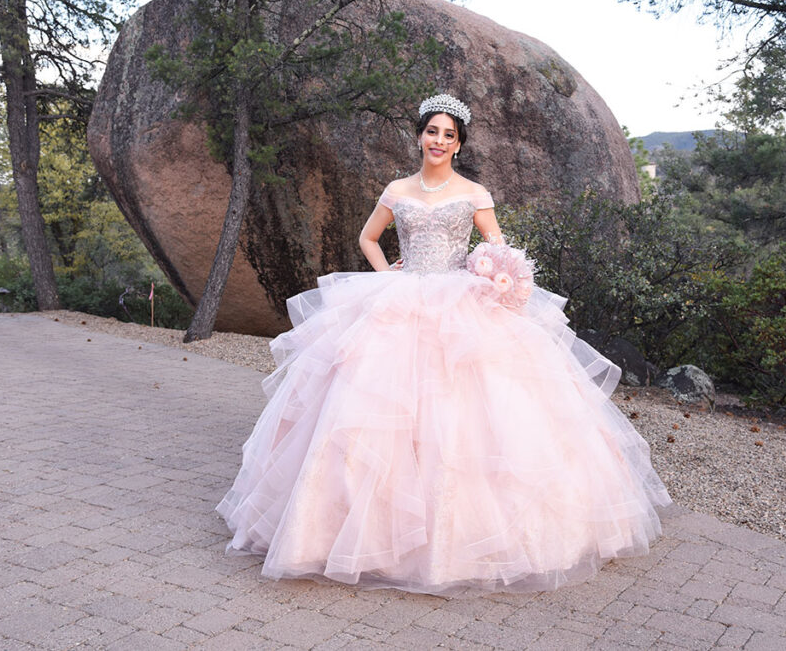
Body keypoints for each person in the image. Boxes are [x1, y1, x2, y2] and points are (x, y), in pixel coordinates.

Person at [216, 93, 671, 595]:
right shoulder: (397, 188)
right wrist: (389, 273)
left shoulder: (474, 192)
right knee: (371, 407)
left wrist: (492, 275)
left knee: (471, 413)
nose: (439, 141)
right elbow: (369, 237)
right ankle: (346, 532)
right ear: (419, 136)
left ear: (458, 144)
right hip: (401, 298)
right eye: (432, 131)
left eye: (449, 135)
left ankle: (459, 541)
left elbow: (499, 250)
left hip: (460, 301)